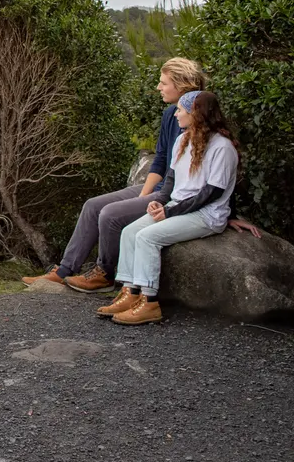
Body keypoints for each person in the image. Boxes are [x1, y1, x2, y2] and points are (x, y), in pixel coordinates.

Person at [22, 57, 207, 291]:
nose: (158, 88)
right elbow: (160, 160)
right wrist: (144, 194)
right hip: (160, 189)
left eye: (163, 83)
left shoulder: (200, 122)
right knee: (92, 206)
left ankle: (105, 274)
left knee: (110, 214)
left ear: (181, 86)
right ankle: (64, 270)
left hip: (176, 195)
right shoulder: (170, 114)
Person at [98, 89, 259, 325]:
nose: (176, 115)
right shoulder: (182, 140)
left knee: (146, 237)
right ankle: (130, 293)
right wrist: (160, 201)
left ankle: (149, 301)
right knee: (130, 232)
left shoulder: (222, 148)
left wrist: (170, 211)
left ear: (196, 113)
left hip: (206, 214)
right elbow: (171, 181)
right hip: (178, 207)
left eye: (181, 111)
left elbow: (211, 194)